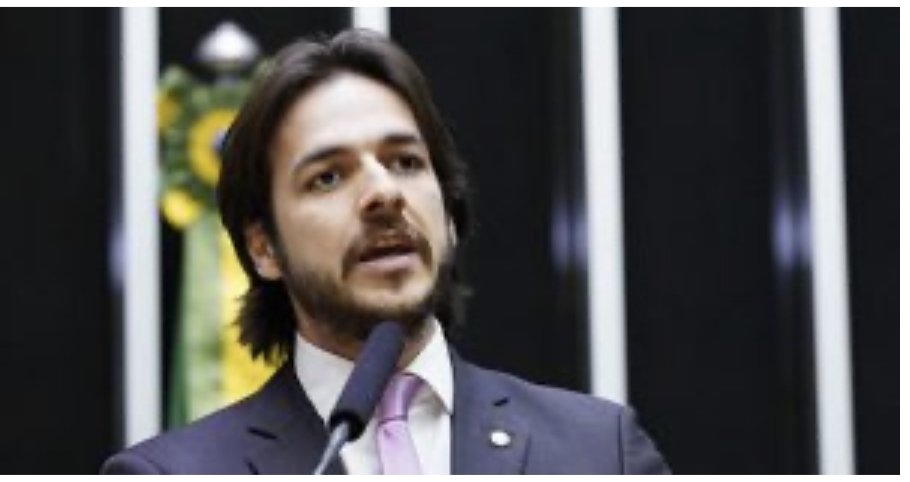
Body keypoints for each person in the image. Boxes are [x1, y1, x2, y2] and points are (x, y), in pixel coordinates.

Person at [102, 28, 669, 475]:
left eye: (406, 162)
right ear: (264, 248)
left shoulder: (601, 451)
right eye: (327, 177)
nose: (384, 193)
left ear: (448, 216)